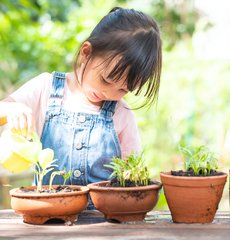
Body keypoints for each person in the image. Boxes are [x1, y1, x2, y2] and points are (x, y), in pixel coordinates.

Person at [0, 7, 162, 191]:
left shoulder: (121, 113)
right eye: (106, 79)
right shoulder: (45, 88)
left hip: (102, 217)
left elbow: (132, 174)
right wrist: (11, 109)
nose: (109, 94)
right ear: (87, 53)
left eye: (124, 89)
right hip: (47, 209)